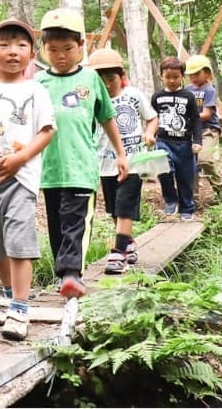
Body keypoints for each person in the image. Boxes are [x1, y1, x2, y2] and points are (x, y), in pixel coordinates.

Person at [0, 19, 56, 341]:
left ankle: (21, 308)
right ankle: (7, 298)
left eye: (21, 45)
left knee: (20, 242)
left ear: (32, 54)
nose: (12, 52)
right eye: (4, 45)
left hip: (22, 179)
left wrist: (21, 158)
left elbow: (46, 130)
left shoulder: (36, 91)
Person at [35, 9, 128, 299]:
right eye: (53, 50)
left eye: (68, 49)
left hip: (82, 168)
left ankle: (72, 272)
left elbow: (107, 118)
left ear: (81, 47)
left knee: (76, 222)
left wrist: (121, 154)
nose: (60, 55)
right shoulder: (39, 83)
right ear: (44, 49)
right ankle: (62, 275)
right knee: (57, 225)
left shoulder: (90, 79)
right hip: (49, 170)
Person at [87, 48, 158, 275]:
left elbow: (152, 117)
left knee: (125, 206)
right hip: (105, 164)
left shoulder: (133, 95)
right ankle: (128, 243)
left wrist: (149, 133)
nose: (107, 84)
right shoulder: (93, 103)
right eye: (101, 80)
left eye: (111, 78)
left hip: (133, 161)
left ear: (121, 76)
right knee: (114, 211)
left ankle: (118, 252)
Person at [151, 56, 202, 221]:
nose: (172, 81)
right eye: (168, 77)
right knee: (164, 171)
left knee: (185, 177)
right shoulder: (157, 97)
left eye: (176, 77)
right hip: (163, 141)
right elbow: (152, 119)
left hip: (184, 144)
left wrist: (197, 141)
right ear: (161, 76)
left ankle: (187, 207)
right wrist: (149, 135)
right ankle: (171, 199)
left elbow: (195, 120)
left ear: (182, 77)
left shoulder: (188, 96)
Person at [185, 54, 222, 205]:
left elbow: (207, 114)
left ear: (207, 73)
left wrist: (188, 117)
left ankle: (220, 188)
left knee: (204, 160)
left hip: (208, 130)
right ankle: (192, 199)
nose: (193, 78)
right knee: (191, 164)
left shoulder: (209, 90)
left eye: (197, 74)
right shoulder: (188, 89)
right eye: (191, 75)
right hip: (192, 131)